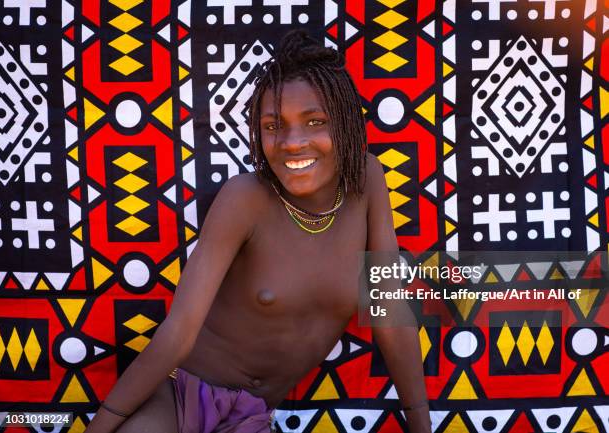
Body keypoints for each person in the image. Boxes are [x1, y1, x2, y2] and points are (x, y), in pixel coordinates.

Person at [85, 30, 431, 433]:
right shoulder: (244, 198)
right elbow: (178, 332)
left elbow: (389, 316)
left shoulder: (367, 181)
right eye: (273, 126)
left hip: (249, 418)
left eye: (315, 121)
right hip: (179, 397)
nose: (292, 142)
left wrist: (422, 425)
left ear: (346, 123)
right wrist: (103, 426)